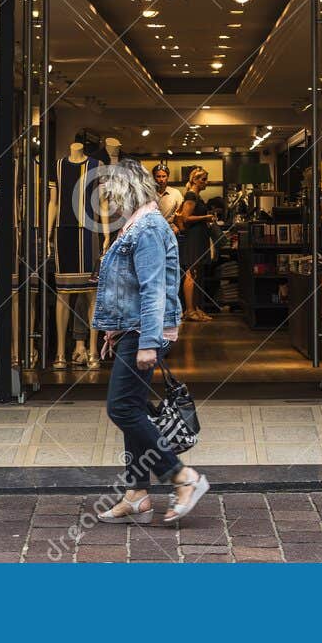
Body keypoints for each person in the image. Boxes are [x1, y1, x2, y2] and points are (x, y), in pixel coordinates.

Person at [91, 160, 209, 525]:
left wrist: (148, 343)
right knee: (133, 411)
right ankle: (137, 494)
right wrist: (115, 329)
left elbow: (154, 289)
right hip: (132, 329)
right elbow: (126, 286)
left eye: (112, 193)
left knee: (122, 409)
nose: (108, 201)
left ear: (127, 190)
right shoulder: (136, 225)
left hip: (144, 332)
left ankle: (182, 477)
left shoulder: (147, 228)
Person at [176, 167, 215, 321]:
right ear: (194, 180)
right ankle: (190, 310)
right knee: (191, 272)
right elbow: (185, 218)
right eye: (203, 179)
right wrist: (206, 217)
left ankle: (196, 308)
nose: (206, 182)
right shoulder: (191, 195)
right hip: (193, 237)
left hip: (199, 237)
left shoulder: (196, 195)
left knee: (196, 273)